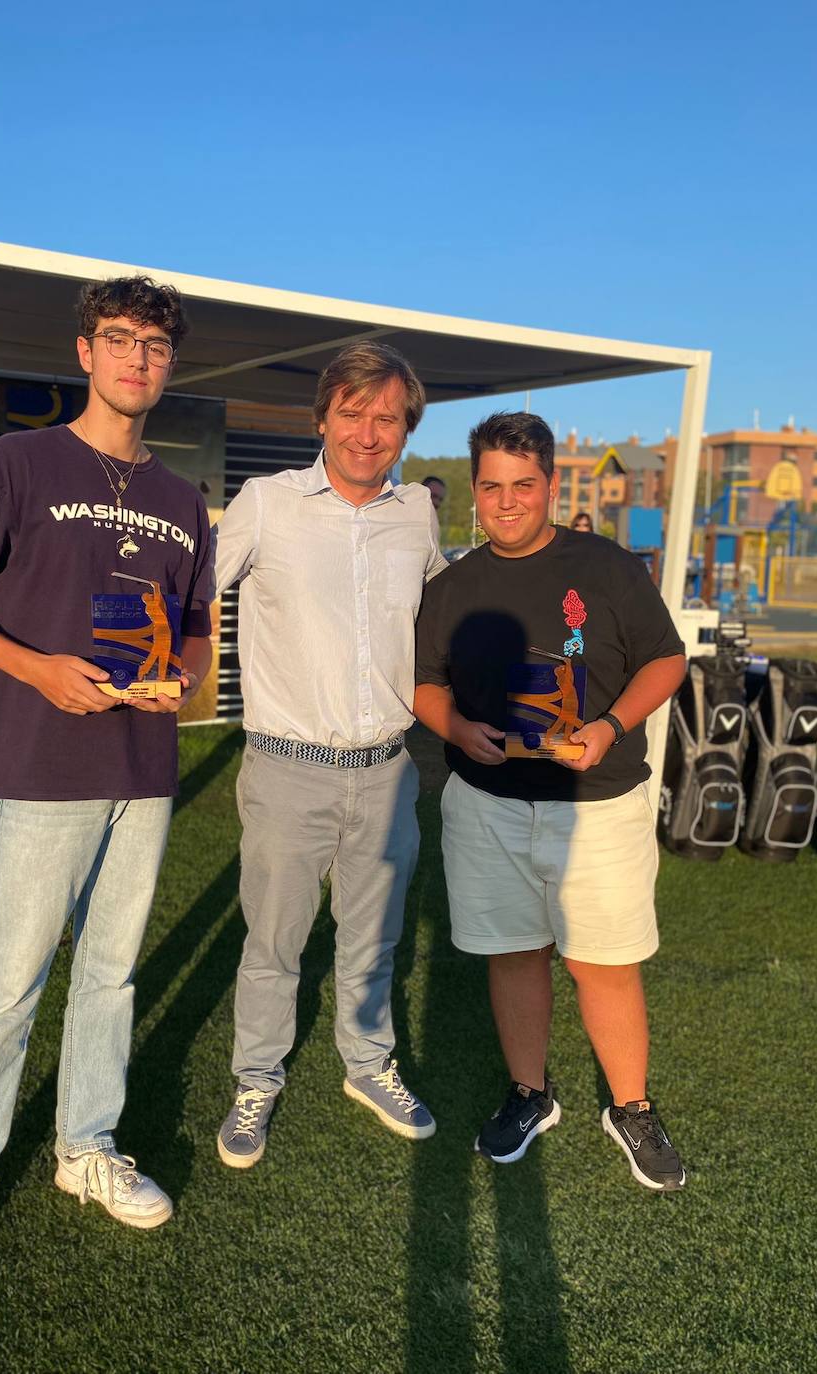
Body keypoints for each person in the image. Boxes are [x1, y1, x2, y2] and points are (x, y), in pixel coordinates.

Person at [0, 276, 213, 1299]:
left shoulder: (179, 499)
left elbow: (197, 618)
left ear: (170, 365)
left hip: (143, 771)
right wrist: (33, 667)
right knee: (5, 990)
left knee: (112, 974)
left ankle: (85, 1146)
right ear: (84, 352)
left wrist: (192, 675)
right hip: (42, 768)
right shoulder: (19, 463)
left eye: (155, 347)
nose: (137, 360)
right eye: (118, 340)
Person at [414, 411, 688, 1192]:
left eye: (522, 486)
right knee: (514, 952)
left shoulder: (604, 567)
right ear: (475, 488)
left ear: (550, 484)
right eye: (492, 487)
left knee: (603, 961)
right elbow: (423, 683)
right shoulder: (454, 585)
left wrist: (607, 726)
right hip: (488, 804)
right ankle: (531, 1095)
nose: (506, 503)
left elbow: (665, 663)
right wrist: (457, 729)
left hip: (596, 802)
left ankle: (630, 1106)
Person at [212, 341, 448, 1167]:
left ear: (405, 432)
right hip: (284, 767)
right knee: (273, 942)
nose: (367, 431)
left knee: (372, 939)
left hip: (386, 771)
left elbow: (434, 626)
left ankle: (366, 1063)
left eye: (386, 417)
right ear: (322, 417)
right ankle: (255, 1079)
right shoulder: (266, 503)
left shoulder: (418, 513)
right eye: (353, 412)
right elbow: (187, 591)